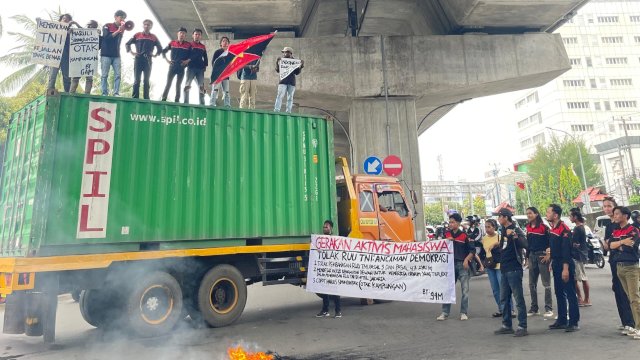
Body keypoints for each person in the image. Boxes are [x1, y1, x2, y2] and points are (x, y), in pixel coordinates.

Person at [601, 197, 635, 332]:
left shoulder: (623, 224)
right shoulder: (609, 225)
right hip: (614, 261)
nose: (607, 209)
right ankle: (625, 321)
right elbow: (608, 245)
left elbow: (626, 243)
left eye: (609, 206)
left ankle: (631, 322)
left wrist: (614, 244)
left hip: (627, 262)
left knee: (627, 292)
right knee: (618, 290)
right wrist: (612, 244)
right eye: (605, 206)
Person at [494, 208, 528, 337]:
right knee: (504, 298)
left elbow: (525, 244)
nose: (498, 219)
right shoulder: (502, 230)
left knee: (518, 298)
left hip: (514, 268)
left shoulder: (515, 229)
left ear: (506, 217)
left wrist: (514, 235)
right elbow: (505, 246)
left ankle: (522, 326)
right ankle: (506, 325)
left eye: (500, 216)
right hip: (504, 268)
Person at [546, 204, 580, 332]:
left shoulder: (564, 229)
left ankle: (574, 322)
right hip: (556, 263)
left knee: (570, 293)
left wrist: (565, 269)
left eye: (548, 212)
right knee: (559, 292)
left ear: (555, 215)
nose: (547, 214)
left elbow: (566, 251)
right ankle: (562, 320)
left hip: (564, 264)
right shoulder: (553, 228)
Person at [609, 206, 640, 339]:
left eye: (617, 214)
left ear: (625, 216)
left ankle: (639, 327)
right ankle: (635, 326)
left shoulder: (634, 230)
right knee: (629, 298)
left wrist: (618, 245)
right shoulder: (615, 230)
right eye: (614, 214)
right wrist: (621, 243)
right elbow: (611, 246)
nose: (614, 216)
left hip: (631, 267)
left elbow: (630, 246)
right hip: (619, 267)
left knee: (635, 298)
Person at [437, 213, 474, 321]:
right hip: (449, 265)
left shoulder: (464, 235)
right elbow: (439, 247)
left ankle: (463, 312)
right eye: (450, 222)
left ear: (458, 223)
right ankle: (445, 312)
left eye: (453, 222)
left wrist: (467, 260)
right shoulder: (446, 234)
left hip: (462, 265)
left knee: (465, 290)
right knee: (448, 289)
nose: (450, 224)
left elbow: (472, 250)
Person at [525, 206, 553, 317]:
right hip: (532, 256)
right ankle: (534, 308)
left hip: (542, 256)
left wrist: (548, 255)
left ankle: (548, 308)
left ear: (536, 214)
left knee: (546, 283)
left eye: (530, 213)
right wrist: (527, 258)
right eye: (527, 213)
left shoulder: (544, 228)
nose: (528, 215)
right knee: (532, 284)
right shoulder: (527, 227)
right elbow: (528, 244)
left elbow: (551, 242)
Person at [125, 19, 162, 100]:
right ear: (142, 25)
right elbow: (127, 44)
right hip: (138, 59)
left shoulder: (153, 37)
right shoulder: (137, 35)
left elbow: (160, 48)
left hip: (148, 60)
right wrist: (132, 52)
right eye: (145, 24)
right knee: (137, 80)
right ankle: (135, 97)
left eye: (148, 25)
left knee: (146, 80)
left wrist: (155, 54)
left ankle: (146, 98)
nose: (146, 26)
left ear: (151, 26)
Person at [47, 14, 80, 93]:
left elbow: (84, 33)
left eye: (67, 19)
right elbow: (44, 31)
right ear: (60, 20)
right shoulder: (55, 28)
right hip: (55, 55)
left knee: (66, 76)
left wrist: (75, 24)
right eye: (64, 18)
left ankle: (67, 93)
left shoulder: (72, 31)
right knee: (52, 75)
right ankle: (50, 91)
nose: (65, 20)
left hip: (66, 56)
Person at [316, 220, 342, 318]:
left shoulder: (335, 240)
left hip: (333, 269)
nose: (324, 229)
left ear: (331, 228)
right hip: (324, 269)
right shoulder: (321, 240)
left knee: (335, 291)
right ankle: (325, 310)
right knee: (324, 290)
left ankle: (338, 311)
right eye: (323, 227)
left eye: (326, 227)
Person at [482, 219, 506, 318]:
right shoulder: (484, 238)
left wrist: (496, 244)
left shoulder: (500, 237)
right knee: (495, 289)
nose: (487, 229)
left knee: (503, 288)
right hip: (490, 265)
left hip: (499, 265)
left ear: (494, 227)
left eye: (489, 227)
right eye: (486, 227)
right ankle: (501, 309)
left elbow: (506, 244)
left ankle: (509, 309)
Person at [100, 10, 127, 96]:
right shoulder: (107, 26)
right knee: (104, 75)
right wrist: (117, 31)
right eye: (121, 17)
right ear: (115, 17)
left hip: (116, 55)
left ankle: (116, 93)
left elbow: (119, 41)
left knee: (118, 75)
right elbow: (106, 38)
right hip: (106, 54)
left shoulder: (122, 29)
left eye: (124, 18)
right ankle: (104, 93)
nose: (122, 19)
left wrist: (121, 32)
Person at [161, 27, 191, 102]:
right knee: (168, 83)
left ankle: (177, 100)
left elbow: (192, 55)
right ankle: (164, 98)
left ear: (185, 35)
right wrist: (167, 60)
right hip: (172, 66)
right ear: (178, 34)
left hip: (181, 67)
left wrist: (187, 61)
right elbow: (163, 51)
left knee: (178, 85)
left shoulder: (188, 45)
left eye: (184, 33)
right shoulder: (172, 43)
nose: (182, 35)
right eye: (181, 33)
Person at [70, 20, 100, 94]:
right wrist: (76, 23)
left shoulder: (96, 34)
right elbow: (81, 30)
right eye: (88, 25)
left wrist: (98, 34)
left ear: (95, 27)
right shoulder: (83, 32)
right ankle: (71, 93)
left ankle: (87, 94)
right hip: (79, 58)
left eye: (91, 25)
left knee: (89, 78)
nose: (89, 26)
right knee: (75, 78)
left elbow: (99, 45)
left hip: (89, 59)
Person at [569, 208, 591, 307]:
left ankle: (584, 299)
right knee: (578, 278)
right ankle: (581, 298)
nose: (569, 218)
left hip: (578, 256)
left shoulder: (578, 228)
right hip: (580, 255)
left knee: (581, 278)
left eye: (570, 216)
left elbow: (575, 244)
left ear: (575, 217)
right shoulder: (581, 227)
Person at [274, 46, 303, 113]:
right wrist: (277, 62)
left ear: (290, 53)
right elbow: (278, 70)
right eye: (284, 52)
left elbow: (297, 72)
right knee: (279, 96)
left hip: (291, 82)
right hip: (282, 82)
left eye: (285, 52)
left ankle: (288, 111)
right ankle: (276, 110)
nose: (284, 53)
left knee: (290, 98)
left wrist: (301, 66)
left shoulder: (294, 62)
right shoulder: (282, 60)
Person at [183, 29, 208, 105]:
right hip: (191, 68)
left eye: (199, 34)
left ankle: (202, 103)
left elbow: (205, 57)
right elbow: (185, 55)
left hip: (200, 69)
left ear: (201, 36)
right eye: (196, 34)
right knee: (188, 85)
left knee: (201, 86)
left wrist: (205, 65)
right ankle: (186, 102)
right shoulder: (189, 45)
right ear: (193, 35)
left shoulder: (203, 46)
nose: (197, 36)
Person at [210, 36, 231, 107]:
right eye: (223, 41)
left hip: (226, 75)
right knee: (215, 89)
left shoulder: (229, 53)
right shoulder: (217, 52)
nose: (225, 43)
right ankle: (212, 104)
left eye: (226, 41)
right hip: (217, 75)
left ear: (228, 44)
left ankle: (227, 104)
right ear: (221, 43)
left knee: (226, 91)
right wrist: (217, 71)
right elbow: (213, 63)